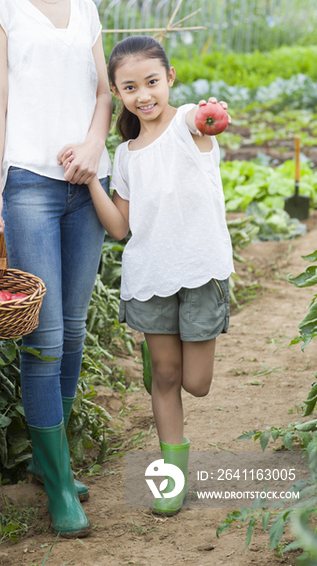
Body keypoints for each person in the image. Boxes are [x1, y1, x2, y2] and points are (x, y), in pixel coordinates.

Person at [0, 0, 112, 538]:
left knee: (76, 330)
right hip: (27, 185)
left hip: (84, 189)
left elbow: (103, 95)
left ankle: (53, 468)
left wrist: (92, 146)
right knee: (43, 338)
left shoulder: (85, 6)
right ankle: (59, 486)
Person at [64, 35, 234, 516]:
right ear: (117, 94)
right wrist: (93, 177)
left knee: (196, 383)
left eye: (152, 82)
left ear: (170, 79)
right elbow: (120, 227)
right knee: (166, 377)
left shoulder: (187, 126)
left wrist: (211, 111)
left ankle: (165, 365)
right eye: (130, 87)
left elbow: (206, 117)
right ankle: (172, 479)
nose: (144, 95)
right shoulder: (127, 155)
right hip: (150, 275)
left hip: (200, 271)